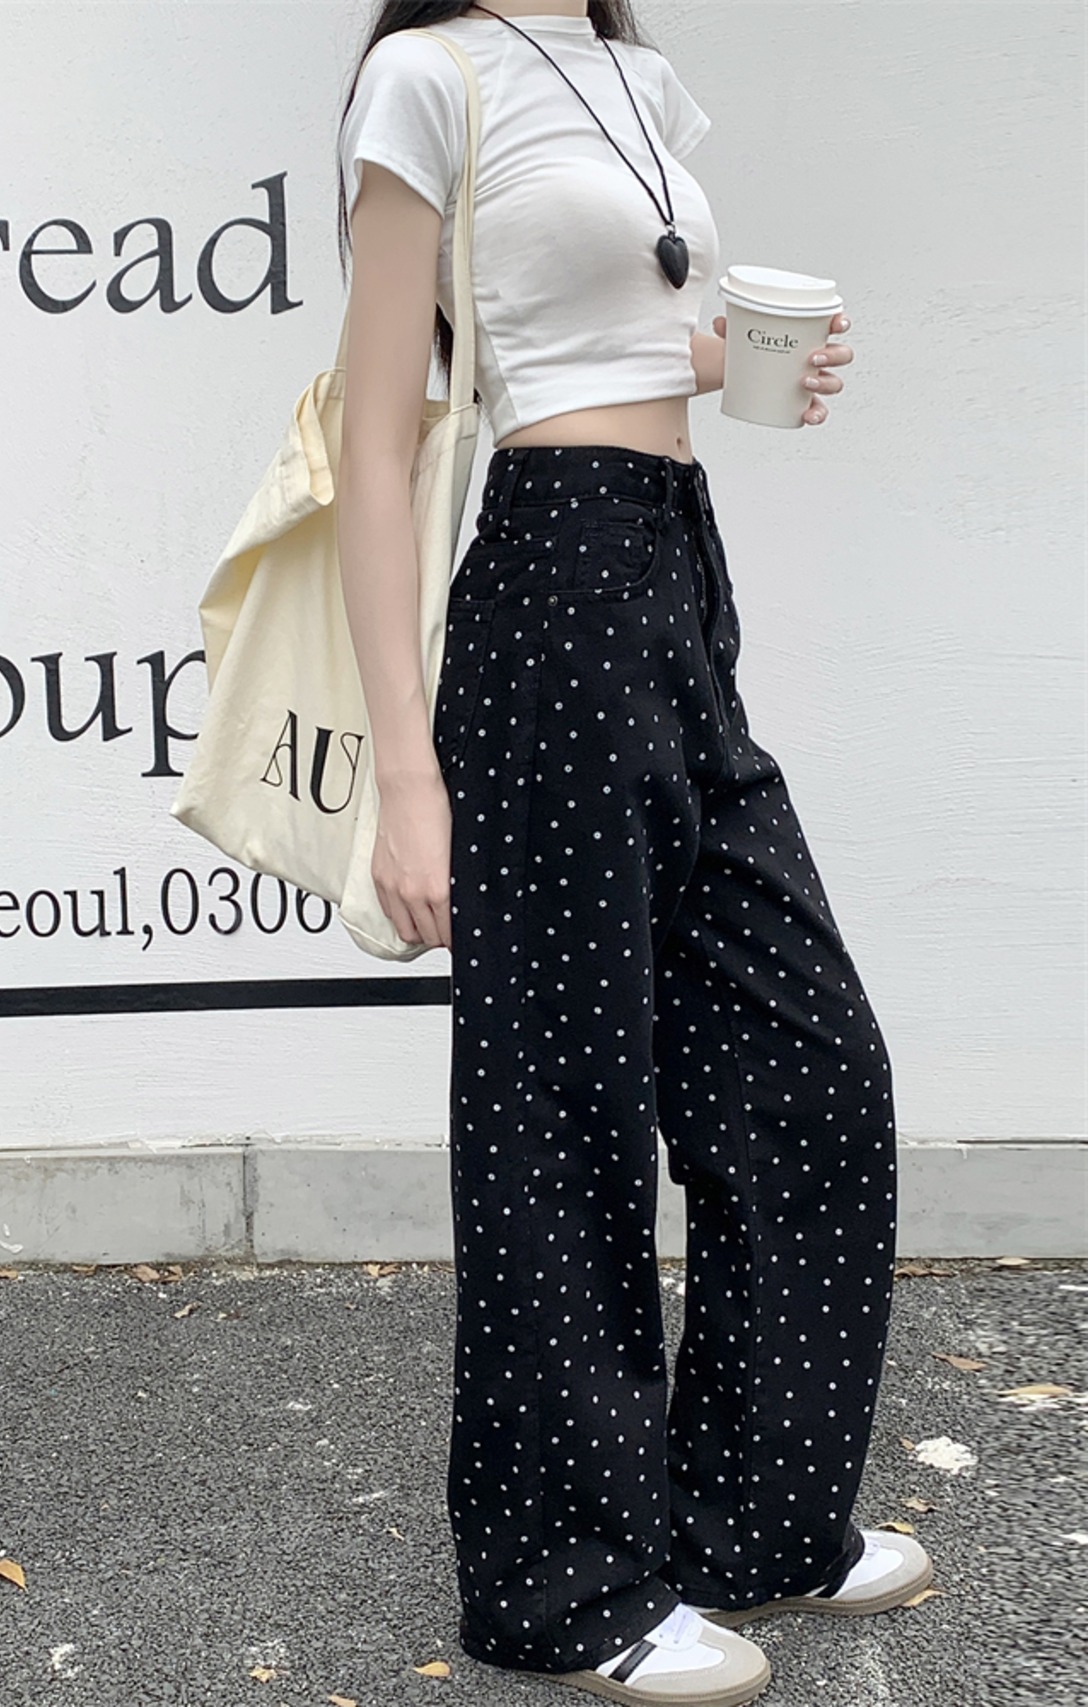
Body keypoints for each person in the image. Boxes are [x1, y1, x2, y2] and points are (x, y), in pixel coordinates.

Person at [334, 4, 933, 1703]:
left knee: (811, 1071)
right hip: (550, 589)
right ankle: (563, 1585)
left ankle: (756, 1521)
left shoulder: (639, 76)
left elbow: (625, 331)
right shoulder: (428, 75)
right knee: (564, 1109)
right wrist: (407, 773)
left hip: (675, 567)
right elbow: (377, 438)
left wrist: (734, 363)